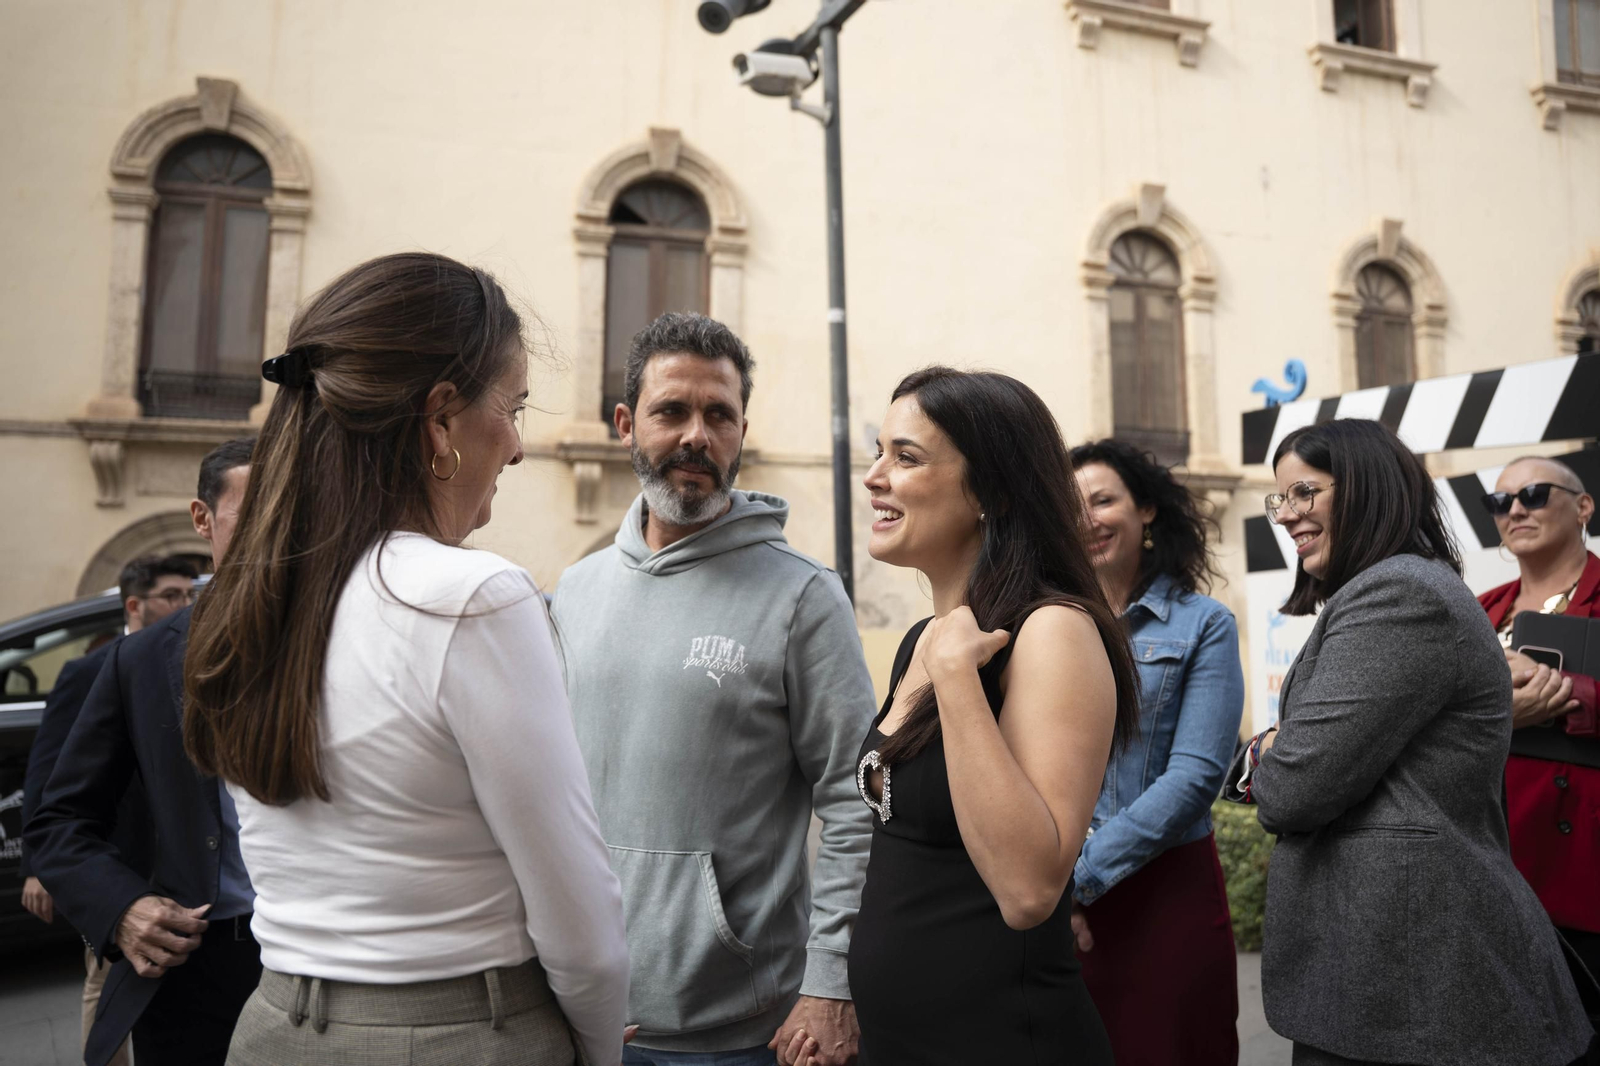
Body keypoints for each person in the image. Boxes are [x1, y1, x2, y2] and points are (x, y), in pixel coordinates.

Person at [181, 253, 628, 1066]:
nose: (518, 447)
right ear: (440, 420)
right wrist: (598, 1048)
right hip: (456, 1031)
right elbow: (579, 919)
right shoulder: (470, 595)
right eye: (513, 408)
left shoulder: (251, 594)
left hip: (273, 1024)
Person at [552, 312, 875, 1066]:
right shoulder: (575, 588)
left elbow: (855, 797)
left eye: (719, 415)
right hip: (580, 1014)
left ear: (741, 432)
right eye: (672, 411)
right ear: (627, 424)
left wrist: (831, 981)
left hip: (741, 1034)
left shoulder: (803, 598)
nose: (696, 436)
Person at [1226, 418, 1592, 1066]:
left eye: (1305, 491)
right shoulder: (1396, 589)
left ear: (1367, 486)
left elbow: (1291, 791)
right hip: (1391, 980)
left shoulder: (1398, 594)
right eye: (1280, 497)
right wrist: (1277, 749)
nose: (1285, 514)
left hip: (1411, 982)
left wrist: (1263, 755)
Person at [847, 367, 1138, 1066]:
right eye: (878, 453)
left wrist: (957, 680)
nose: (875, 477)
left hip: (1005, 1040)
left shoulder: (1051, 631)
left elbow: (1029, 889)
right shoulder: (925, 639)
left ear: (993, 492)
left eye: (906, 457)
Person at [26, 439, 257, 1066]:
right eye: (253, 511)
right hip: (196, 965)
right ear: (203, 519)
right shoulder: (140, 662)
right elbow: (59, 821)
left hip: (328, 968)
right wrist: (123, 906)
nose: (276, 528)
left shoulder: (350, 638)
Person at [1067, 439, 1243, 1066]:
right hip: (1055, 898)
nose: (1087, 519)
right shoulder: (1045, 623)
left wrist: (1079, 879)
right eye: (1070, 507)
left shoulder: (1204, 624)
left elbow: (1195, 777)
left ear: (1145, 510)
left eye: (1102, 500)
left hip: (1165, 892)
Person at [19, 553, 197, 1066]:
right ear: (135, 605)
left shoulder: (194, 658)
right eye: (172, 595)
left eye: (189, 594)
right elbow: (49, 774)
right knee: (108, 984)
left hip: (182, 864)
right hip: (118, 863)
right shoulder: (90, 671)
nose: (184, 604)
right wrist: (38, 867)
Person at [1476, 454, 1599, 1049]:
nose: (1515, 510)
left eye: (1533, 494)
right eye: (1499, 502)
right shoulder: (1479, 608)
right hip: (1488, 863)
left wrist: (1560, 693)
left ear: (1583, 507)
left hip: (1581, 869)